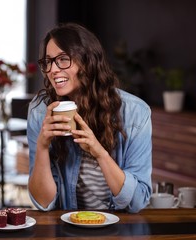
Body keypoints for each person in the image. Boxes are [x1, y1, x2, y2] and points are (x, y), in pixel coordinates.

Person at [27, 22, 152, 213]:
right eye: (48, 62)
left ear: (87, 61)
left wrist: (99, 152)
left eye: (62, 59)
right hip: (68, 226)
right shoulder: (40, 111)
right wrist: (42, 146)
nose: (52, 69)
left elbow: (137, 201)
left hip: (119, 226)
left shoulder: (135, 112)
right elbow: (43, 203)